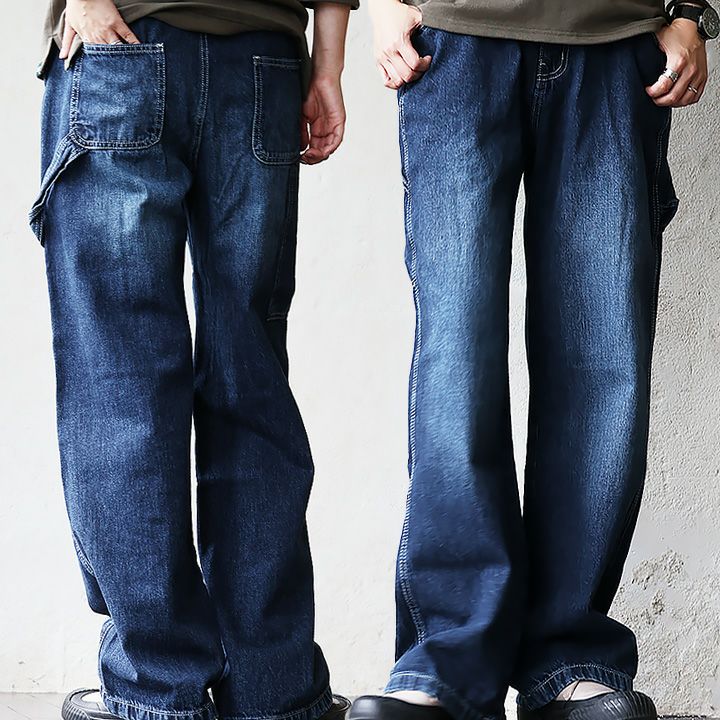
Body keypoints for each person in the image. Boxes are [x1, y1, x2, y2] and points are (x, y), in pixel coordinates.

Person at [349, 1, 714, 720]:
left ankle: (569, 658)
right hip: (453, 42)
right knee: (457, 358)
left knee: (600, 357)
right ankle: (448, 663)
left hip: (616, 40)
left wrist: (692, 12)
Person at [29, 2, 356, 720]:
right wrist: (328, 65)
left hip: (127, 39)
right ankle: (272, 688)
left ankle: (158, 688)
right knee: (251, 376)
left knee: (122, 382)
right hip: (265, 57)